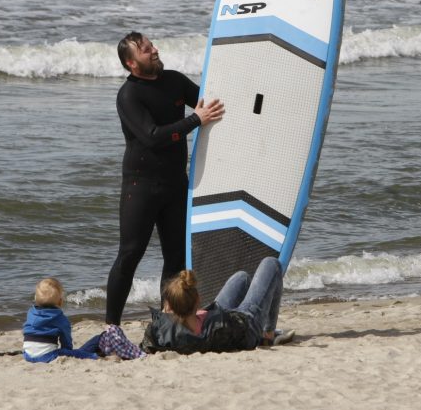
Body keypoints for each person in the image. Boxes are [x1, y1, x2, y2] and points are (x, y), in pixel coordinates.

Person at [105, 32, 224, 326]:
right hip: (141, 187)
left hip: (175, 184)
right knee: (130, 255)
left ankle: (167, 324)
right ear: (132, 63)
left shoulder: (174, 81)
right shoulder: (129, 95)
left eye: (152, 45)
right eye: (146, 50)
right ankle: (112, 327)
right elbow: (153, 137)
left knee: (176, 258)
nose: (154, 50)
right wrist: (195, 120)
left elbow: (209, 104)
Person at [139, 256, 285, 354]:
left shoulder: (164, 333)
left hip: (222, 321)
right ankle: (268, 334)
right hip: (246, 325)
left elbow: (147, 345)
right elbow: (237, 326)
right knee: (271, 263)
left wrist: (164, 316)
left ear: (169, 306)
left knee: (242, 277)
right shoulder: (215, 328)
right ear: (198, 300)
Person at [22, 277, 145, 362]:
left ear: (35, 298)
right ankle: (97, 357)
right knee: (79, 353)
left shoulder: (30, 312)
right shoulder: (60, 318)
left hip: (27, 355)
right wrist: (68, 351)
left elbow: (28, 330)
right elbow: (66, 340)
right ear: (60, 302)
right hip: (47, 356)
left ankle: (98, 345)